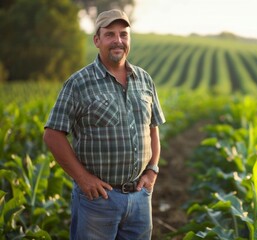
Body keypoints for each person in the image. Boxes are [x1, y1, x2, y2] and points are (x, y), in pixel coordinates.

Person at [43, 9, 165, 239]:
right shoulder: (79, 83)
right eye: (110, 34)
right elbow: (52, 134)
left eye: (123, 34)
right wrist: (83, 178)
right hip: (98, 201)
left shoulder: (144, 79)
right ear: (97, 40)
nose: (118, 41)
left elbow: (153, 128)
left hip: (140, 198)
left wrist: (152, 170)